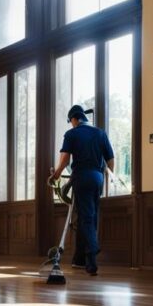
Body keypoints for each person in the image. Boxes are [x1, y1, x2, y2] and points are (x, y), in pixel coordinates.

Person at [49, 105, 115, 276]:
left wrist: (55, 175)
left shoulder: (72, 134)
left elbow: (64, 160)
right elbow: (110, 160)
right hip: (97, 178)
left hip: (82, 178)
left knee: (85, 218)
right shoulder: (100, 133)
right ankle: (87, 259)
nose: (71, 124)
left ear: (74, 119)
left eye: (71, 121)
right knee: (92, 216)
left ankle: (92, 252)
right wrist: (103, 180)